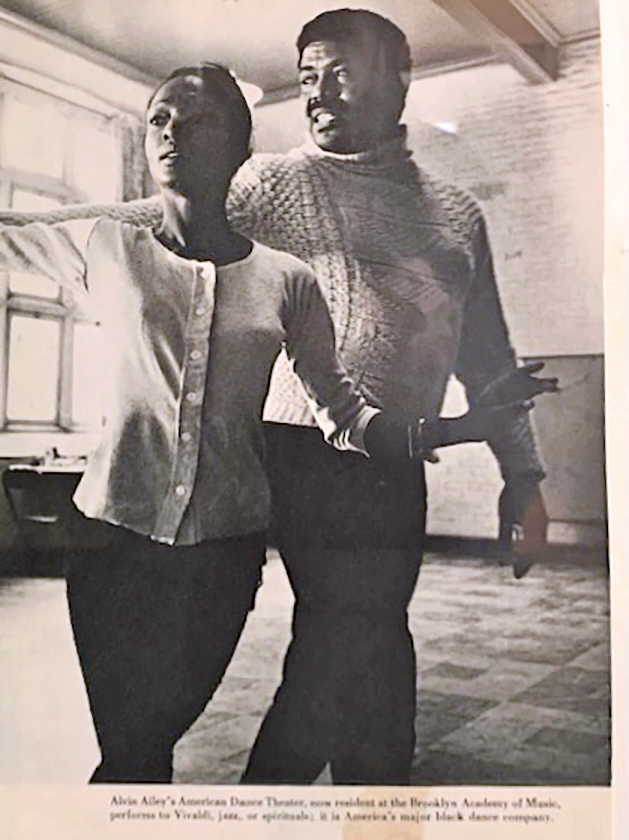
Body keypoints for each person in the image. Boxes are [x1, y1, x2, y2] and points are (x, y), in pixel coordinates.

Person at [1, 11, 558, 785]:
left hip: (395, 457)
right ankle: (325, 799)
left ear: (397, 77)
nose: (318, 94)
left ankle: (341, 796)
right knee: (350, 634)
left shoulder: (457, 215)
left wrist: (522, 476)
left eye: (339, 72)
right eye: (305, 78)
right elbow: (155, 224)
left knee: (367, 639)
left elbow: (488, 352)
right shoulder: (265, 182)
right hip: (292, 456)